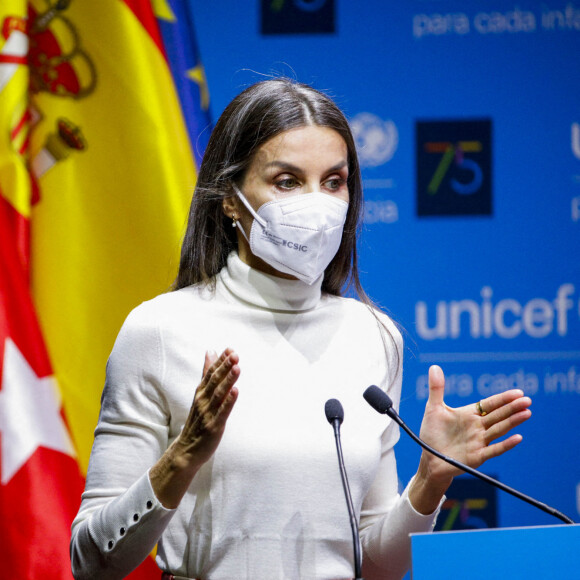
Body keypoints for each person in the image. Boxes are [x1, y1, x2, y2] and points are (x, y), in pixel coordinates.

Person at [70, 78, 532, 580]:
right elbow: (92, 560)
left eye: (333, 182)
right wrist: (181, 458)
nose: (318, 204)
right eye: (287, 181)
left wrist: (430, 480)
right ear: (229, 198)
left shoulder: (374, 337)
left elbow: (375, 566)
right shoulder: (160, 330)